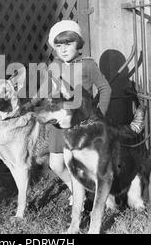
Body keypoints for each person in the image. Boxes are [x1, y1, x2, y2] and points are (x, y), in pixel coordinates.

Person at [30, 20, 112, 203]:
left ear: (78, 43)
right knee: (56, 164)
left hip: (82, 125)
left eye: (68, 44)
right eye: (59, 46)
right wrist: (30, 104)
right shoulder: (55, 66)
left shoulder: (88, 64)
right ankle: (76, 191)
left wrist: (99, 115)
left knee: (85, 164)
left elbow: (105, 89)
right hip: (60, 124)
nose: (64, 50)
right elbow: (44, 90)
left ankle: (92, 196)